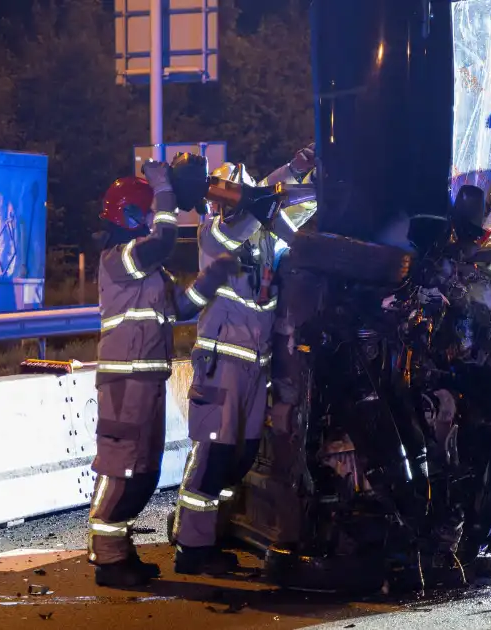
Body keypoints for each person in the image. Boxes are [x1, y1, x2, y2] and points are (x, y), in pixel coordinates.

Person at [171, 146, 315, 575]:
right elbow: (258, 207)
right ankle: (192, 548)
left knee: (244, 455)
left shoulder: (268, 234)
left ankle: (214, 532)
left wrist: (300, 170)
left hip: (256, 364)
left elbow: (294, 215)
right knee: (213, 454)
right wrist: (277, 185)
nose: (221, 206)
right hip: (221, 360)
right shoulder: (214, 235)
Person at [88, 162, 232, 587]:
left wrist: (213, 278)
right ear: (131, 216)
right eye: (149, 212)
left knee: (143, 470)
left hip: (146, 380)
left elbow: (180, 311)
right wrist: (165, 189)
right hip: (124, 382)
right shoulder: (121, 258)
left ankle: (119, 552)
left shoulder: (149, 271)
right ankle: (108, 560)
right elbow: (166, 239)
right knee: (123, 468)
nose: (156, 218)